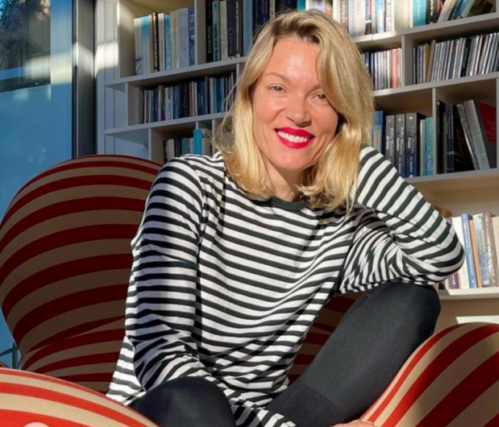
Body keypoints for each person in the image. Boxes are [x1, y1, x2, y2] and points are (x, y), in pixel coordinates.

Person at [105, 9, 464, 427]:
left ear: (342, 115)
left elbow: (439, 258)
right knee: (195, 401)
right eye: (278, 88)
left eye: (322, 96)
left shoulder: (337, 224)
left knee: (414, 299)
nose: (298, 113)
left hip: (274, 416)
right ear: (250, 97)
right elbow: (159, 350)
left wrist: (363, 165)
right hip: (166, 410)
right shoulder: (187, 184)